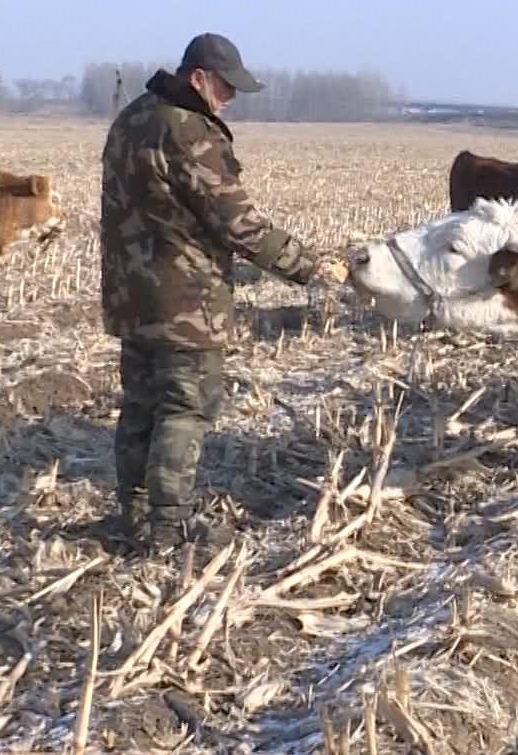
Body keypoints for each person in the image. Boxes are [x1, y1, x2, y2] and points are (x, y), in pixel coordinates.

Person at [100, 32, 348, 555]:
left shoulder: (132, 118)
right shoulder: (189, 132)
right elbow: (238, 223)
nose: (231, 98)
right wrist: (309, 267)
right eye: (226, 86)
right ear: (198, 79)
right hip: (184, 299)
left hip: (131, 294)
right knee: (184, 407)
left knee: (141, 404)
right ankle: (167, 529)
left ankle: (134, 512)